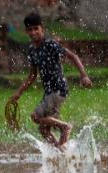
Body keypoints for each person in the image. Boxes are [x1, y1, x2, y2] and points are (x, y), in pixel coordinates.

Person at [10, 12, 92, 151]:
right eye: (30, 29)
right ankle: (62, 153)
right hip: (49, 92)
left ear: (42, 29)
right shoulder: (31, 50)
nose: (33, 32)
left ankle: (66, 127)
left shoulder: (50, 44)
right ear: (26, 32)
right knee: (43, 130)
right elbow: (32, 75)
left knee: (36, 117)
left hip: (58, 89)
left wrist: (83, 75)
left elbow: (73, 56)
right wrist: (19, 92)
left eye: (36, 28)